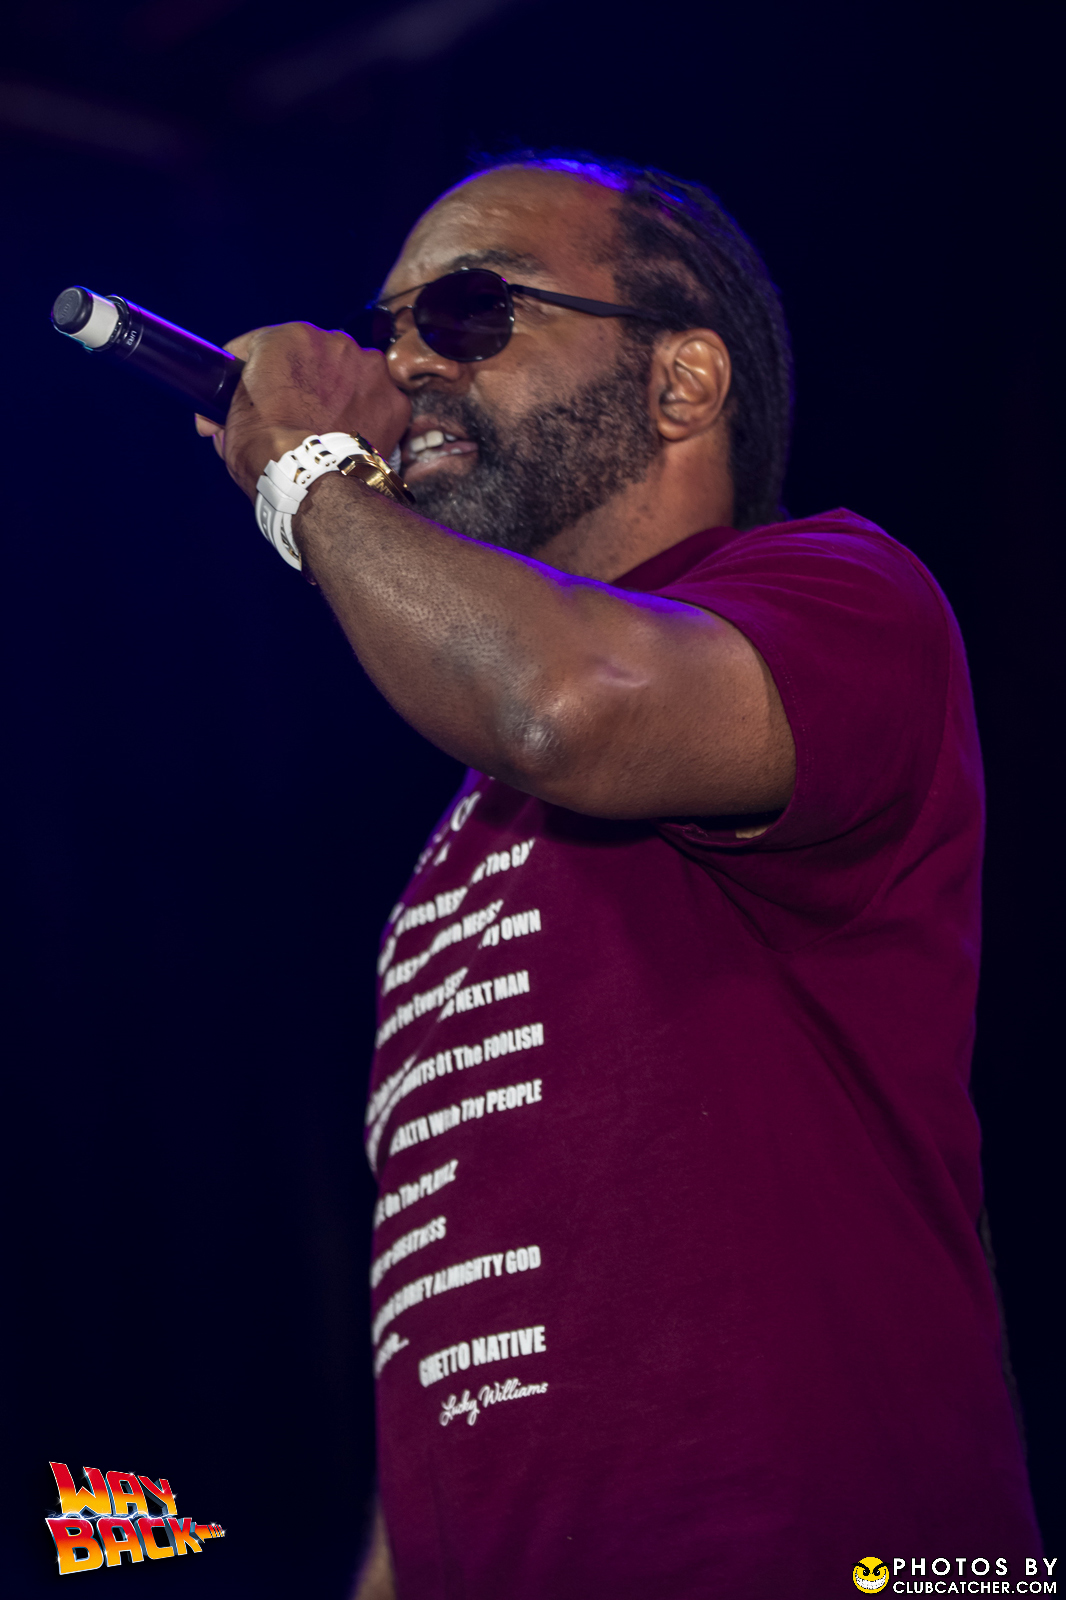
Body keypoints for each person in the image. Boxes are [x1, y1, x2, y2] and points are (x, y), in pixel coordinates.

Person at [198, 156, 1041, 1599]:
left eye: (468, 311)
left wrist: (305, 473)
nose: (405, 365)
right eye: (392, 329)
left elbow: (564, 705)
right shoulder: (474, 820)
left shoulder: (839, 596)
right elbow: (449, 1318)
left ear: (681, 381)